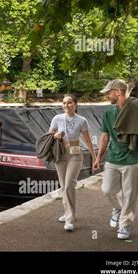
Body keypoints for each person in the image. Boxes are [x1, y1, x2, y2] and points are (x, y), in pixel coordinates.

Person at [93, 79, 138, 240]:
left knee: (130, 194)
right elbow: (104, 137)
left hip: (132, 159)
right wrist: (98, 157)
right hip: (112, 158)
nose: (107, 95)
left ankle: (125, 225)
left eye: (109, 92)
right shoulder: (108, 113)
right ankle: (117, 209)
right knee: (107, 189)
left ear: (118, 91)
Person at [48, 94, 97, 231]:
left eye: (69, 103)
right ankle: (66, 212)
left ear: (75, 104)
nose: (66, 105)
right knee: (64, 186)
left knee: (69, 185)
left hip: (75, 155)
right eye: (64, 103)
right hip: (60, 155)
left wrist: (95, 157)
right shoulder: (57, 118)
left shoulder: (82, 120)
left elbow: (87, 140)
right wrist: (55, 135)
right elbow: (48, 136)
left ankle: (69, 219)